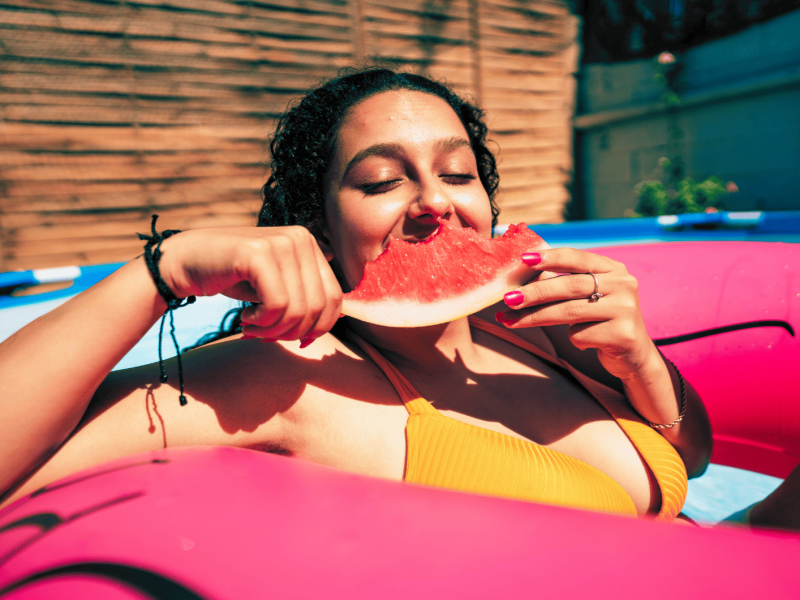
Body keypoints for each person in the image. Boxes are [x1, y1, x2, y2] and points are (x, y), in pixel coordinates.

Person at [0, 69, 713, 520]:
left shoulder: (536, 323)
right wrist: (161, 271)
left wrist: (644, 366)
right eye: (381, 182)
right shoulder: (286, 378)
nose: (435, 201)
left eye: (458, 174)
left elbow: (698, 458)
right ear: (317, 222)